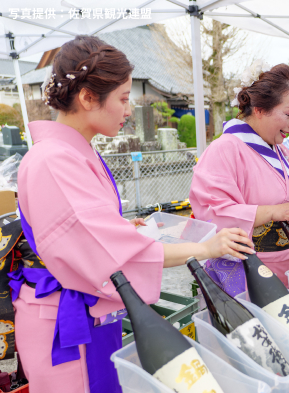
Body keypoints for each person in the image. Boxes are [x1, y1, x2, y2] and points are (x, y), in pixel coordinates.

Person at [14, 36, 254, 393]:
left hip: (83, 309)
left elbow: (86, 234)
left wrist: (120, 228)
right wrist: (206, 249)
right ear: (87, 98)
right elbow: (107, 251)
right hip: (66, 325)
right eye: (123, 99)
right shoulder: (54, 159)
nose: (129, 111)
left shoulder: (70, 152)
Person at [190, 62, 289, 296]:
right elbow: (212, 214)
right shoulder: (224, 149)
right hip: (250, 269)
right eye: (288, 114)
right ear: (258, 109)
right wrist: (274, 212)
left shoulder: (281, 150)